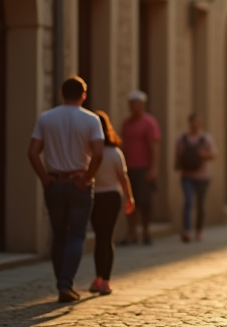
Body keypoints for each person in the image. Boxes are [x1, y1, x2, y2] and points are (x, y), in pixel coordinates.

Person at [27, 76, 105, 302]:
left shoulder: (46, 118)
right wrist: (88, 177)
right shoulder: (91, 120)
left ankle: (62, 282)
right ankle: (65, 283)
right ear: (84, 95)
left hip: (55, 183)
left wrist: (43, 177)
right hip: (78, 183)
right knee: (76, 235)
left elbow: (32, 152)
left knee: (59, 235)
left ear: (62, 93)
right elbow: (99, 154)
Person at [89, 111, 135, 295]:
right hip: (112, 198)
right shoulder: (115, 153)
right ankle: (105, 281)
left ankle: (99, 278)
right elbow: (123, 177)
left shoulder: (90, 151)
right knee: (107, 239)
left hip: (95, 197)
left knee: (99, 238)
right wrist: (129, 198)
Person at [120, 90, 160, 245]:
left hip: (144, 168)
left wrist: (154, 169)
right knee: (131, 203)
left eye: (136, 104)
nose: (133, 107)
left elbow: (154, 146)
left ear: (142, 105)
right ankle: (131, 233)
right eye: (131, 104)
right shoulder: (126, 123)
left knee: (145, 202)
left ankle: (146, 231)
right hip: (129, 168)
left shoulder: (149, 122)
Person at [175, 113, 217, 243]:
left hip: (203, 176)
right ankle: (186, 230)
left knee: (200, 204)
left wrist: (202, 155)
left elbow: (214, 154)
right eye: (193, 122)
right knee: (188, 201)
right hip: (187, 176)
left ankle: (199, 230)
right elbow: (178, 154)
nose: (195, 124)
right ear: (190, 123)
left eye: (197, 122)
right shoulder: (182, 138)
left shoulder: (206, 138)